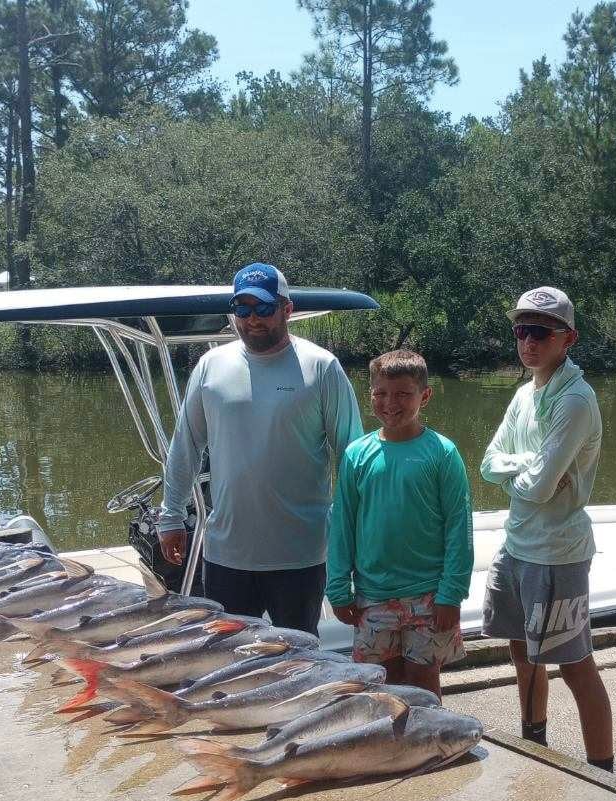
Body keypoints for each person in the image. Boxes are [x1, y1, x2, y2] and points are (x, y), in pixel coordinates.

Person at [157, 262, 363, 635]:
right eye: (243, 309)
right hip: (226, 554)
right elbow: (184, 447)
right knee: (230, 662)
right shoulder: (210, 367)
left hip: (300, 556)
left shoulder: (322, 367)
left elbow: (353, 459)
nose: (253, 319)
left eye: (264, 308)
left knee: (299, 660)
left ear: (287, 309)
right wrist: (171, 516)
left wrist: (351, 540)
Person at [480, 286, 614, 771]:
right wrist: (532, 467)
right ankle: (534, 743)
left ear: (567, 338)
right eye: (521, 331)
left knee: (576, 665)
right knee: (522, 654)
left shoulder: (575, 400)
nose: (528, 341)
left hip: (558, 551)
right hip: (516, 546)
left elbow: (536, 488)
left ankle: (605, 772)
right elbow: (488, 465)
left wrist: (533, 475)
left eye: (539, 331)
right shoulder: (523, 393)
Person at [325, 350, 473, 699]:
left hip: (429, 595)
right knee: (382, 685)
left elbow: (458, 528)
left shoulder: (442, 452)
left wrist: (452, 593)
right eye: (381, 393)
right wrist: (337, 586)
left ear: (425, 396)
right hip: (372, 595)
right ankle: (392, 750)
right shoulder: (356, 454)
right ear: (371, 394)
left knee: (424, 683)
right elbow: (342, 525)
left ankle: (433, 745)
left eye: (403, 394)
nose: (391, 403)